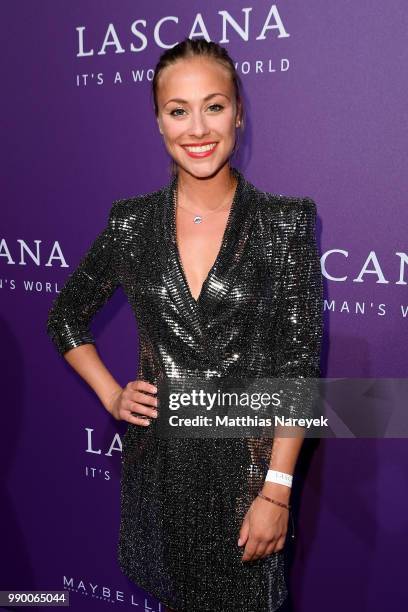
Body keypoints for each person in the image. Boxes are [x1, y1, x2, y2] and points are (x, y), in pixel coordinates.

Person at [47, 38, 323, 612]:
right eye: (178, 111)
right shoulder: (131, 224)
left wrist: (277, 489)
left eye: (214, 106)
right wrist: (113, 394)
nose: (197, 128)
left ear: (239, 113)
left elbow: (297, 369)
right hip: (161, 471)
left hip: (249, 474)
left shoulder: (283, 223)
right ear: (159, 122)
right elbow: (67, 317)